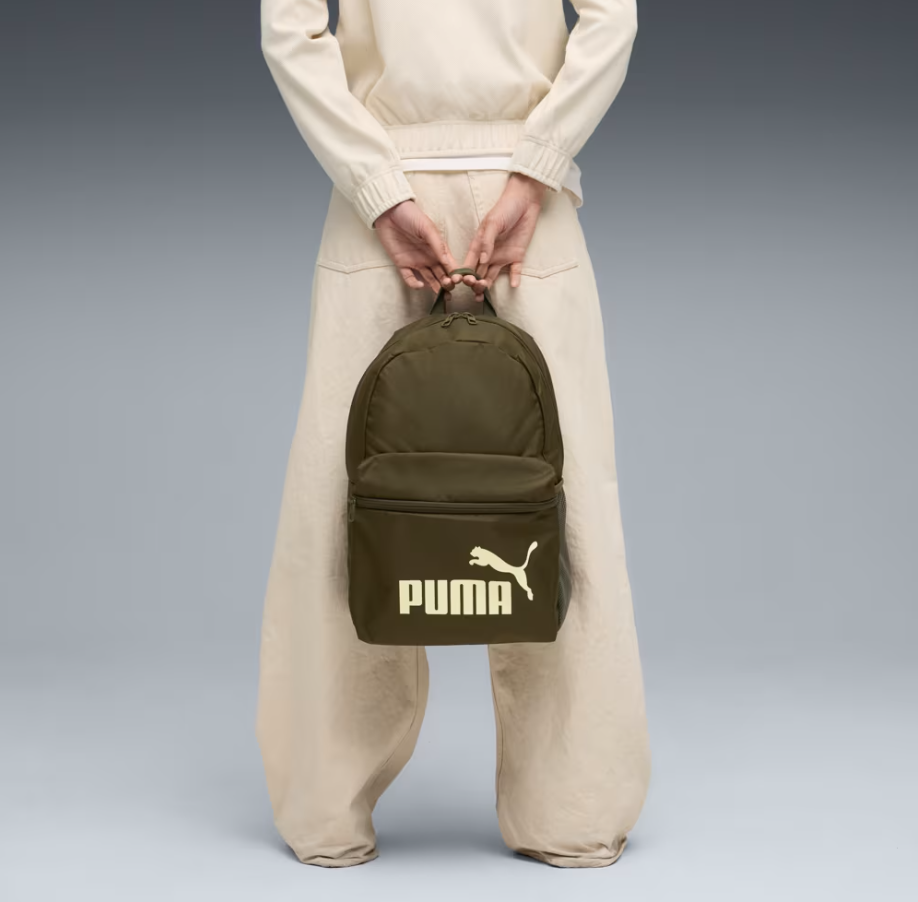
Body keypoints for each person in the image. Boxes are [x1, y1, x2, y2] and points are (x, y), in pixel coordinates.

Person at [255, 0, 651, 869]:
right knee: (565, 505)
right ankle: (574, 810)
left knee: (341, 496)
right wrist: (536, 170)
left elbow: (289, 28)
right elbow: (612, 20)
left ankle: (325, 809)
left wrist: (377, 188)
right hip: (525, 197)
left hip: (380, 196)